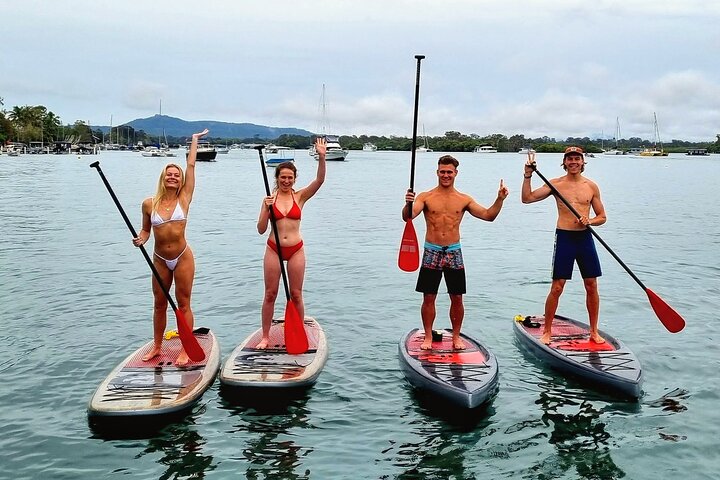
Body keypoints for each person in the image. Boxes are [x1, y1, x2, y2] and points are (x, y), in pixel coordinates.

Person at [402, 155, 509, 350]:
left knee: (457, 297)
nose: (445, 175)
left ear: (456, 173)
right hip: (431, 251)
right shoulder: (425, 197)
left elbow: (488, 216)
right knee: (428, 296)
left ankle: (456, 337)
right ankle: (427, 336)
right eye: (442, 171)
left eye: (449, 172)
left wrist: (499, 199)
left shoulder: (463, 199)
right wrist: (407, 202)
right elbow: (408, 216)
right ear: (437, 172)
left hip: (454, 251)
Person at [132, 129, 209, 366]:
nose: (173, 177)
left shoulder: (184, 198)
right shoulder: (148, 203)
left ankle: (187, 348)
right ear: (163, 178)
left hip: (182, 257)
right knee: (159, 304)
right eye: (169, 174)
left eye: (176, 175)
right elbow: (146, 229)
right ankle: (157, 346)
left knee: (183, 303)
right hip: (159, 259)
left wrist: (194, 141)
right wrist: (141, 238)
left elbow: (192, 166)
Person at [521, 146, 607, 345]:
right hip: (565, 238)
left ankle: (594, 331)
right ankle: (547, 331)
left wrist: (590, 221)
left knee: (591, 285)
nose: (574, 162)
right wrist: (527, 175)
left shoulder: (591, 186)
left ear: (583, 162)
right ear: (565, 162)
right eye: (570, 159)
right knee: (557, 287)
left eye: (577, 159)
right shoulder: (556, 184)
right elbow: (527, 199)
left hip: (585, 238)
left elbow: (602, 217)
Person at [256, 137, 327, 349]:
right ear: (276, 178)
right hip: (273, 249)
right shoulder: (269, 199)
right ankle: (266, 337)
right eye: (282, 177)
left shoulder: (300, 196)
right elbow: (260, 229)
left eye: (290, 177)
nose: (286, 181)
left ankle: (298, 331)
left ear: (295, 179)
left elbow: (319, 181)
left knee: (296, 295)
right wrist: (267, 211)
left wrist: (322, 157)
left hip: (296, 249)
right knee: (270, 294)